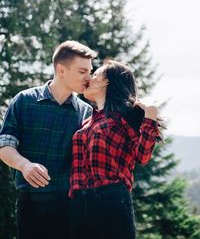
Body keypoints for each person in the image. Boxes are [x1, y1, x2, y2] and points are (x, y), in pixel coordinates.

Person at [0, 40, 97, 239]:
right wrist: (25, 165)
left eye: (90, 71)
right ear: (61, 69)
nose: (89, 78)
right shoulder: (24, 100)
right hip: (29, 203)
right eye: (82, 71)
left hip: (68, 204)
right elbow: (4, 145)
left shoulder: (87, 112)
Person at [69, 60, 163, 239]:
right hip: (78, 201)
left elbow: (142, 157)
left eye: (95, 75)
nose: (89, 78)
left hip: (110, 197)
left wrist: (150, 115)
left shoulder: (122, 116)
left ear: (106, 81)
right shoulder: (88, 121)